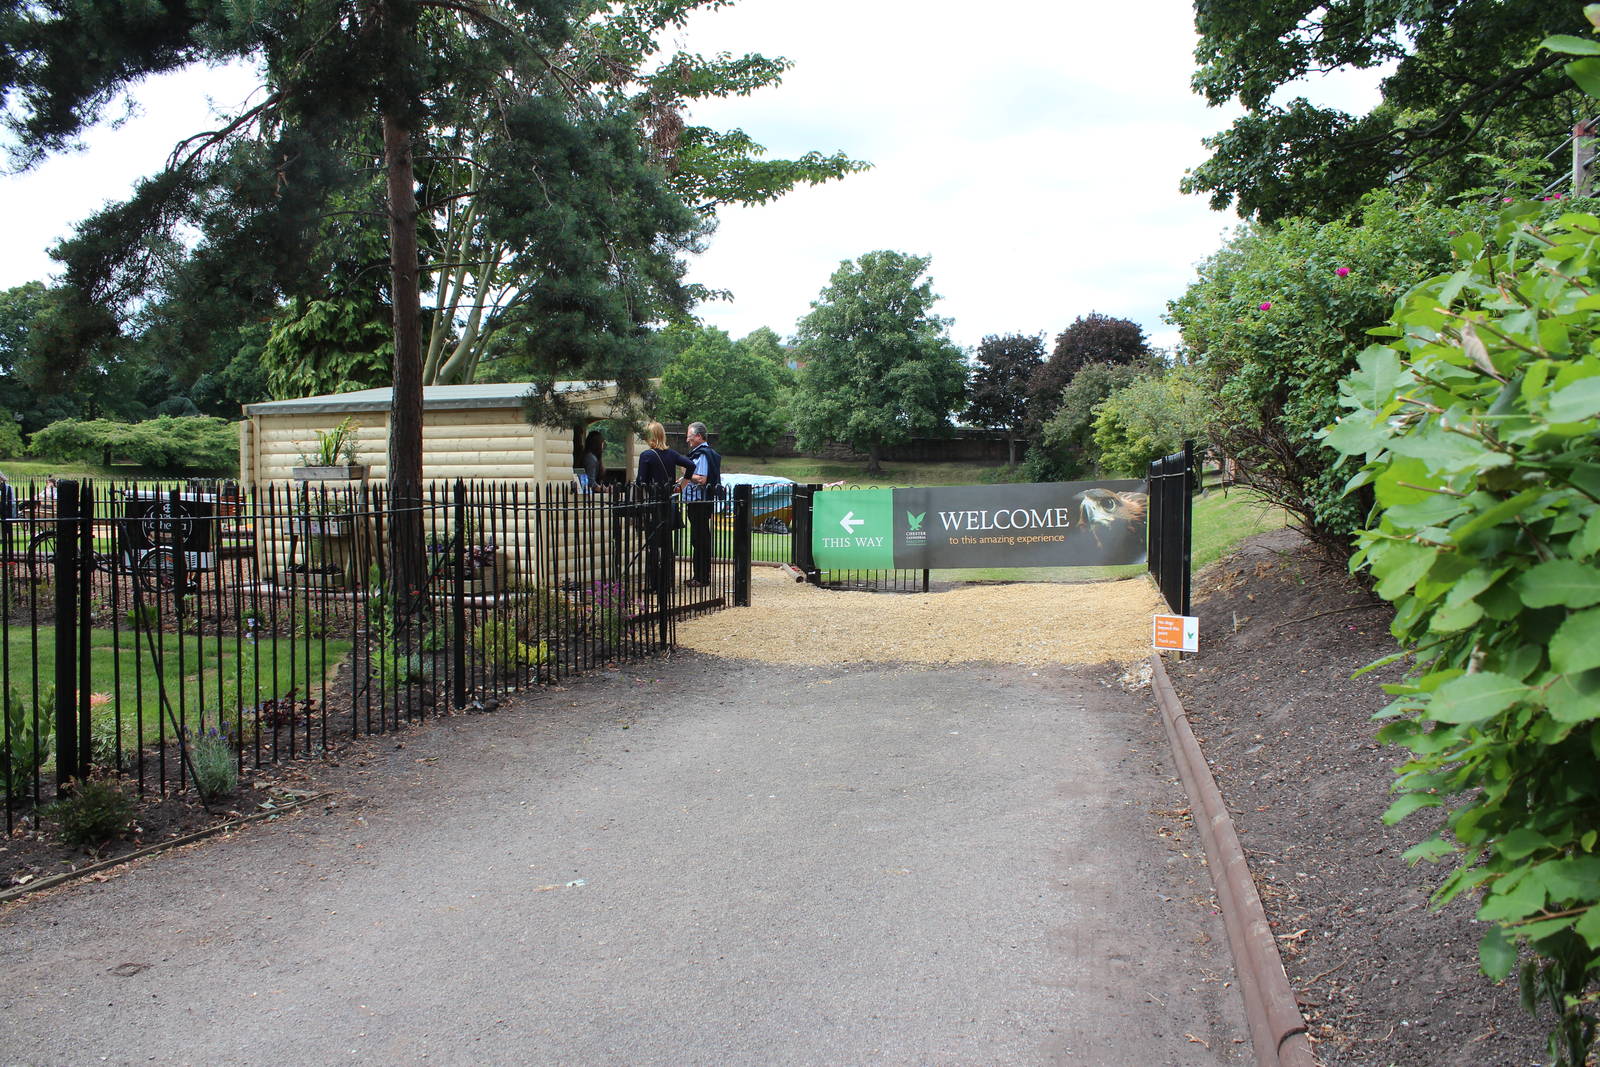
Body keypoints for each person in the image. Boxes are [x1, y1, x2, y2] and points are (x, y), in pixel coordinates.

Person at [634, 423, 694, 593]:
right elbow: (691, 466)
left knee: (653, 545)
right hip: (669, 503)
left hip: (654, 504)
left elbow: (641, 482)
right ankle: (667, 582)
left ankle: (654, 584)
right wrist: (681, 485)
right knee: (667, 545)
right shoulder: (671, 454)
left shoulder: (647, 455)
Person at [678, 421, 722, 588]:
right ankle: (700, 575)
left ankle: (701, 577)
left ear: (698, 436)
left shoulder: (702, 454)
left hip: (699, 502)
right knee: (699, 538)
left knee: (700, 539)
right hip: (697, 502)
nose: (687, 439)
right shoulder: (699, 453)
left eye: (689, 436)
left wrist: (685, 472)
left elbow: (702, 479)